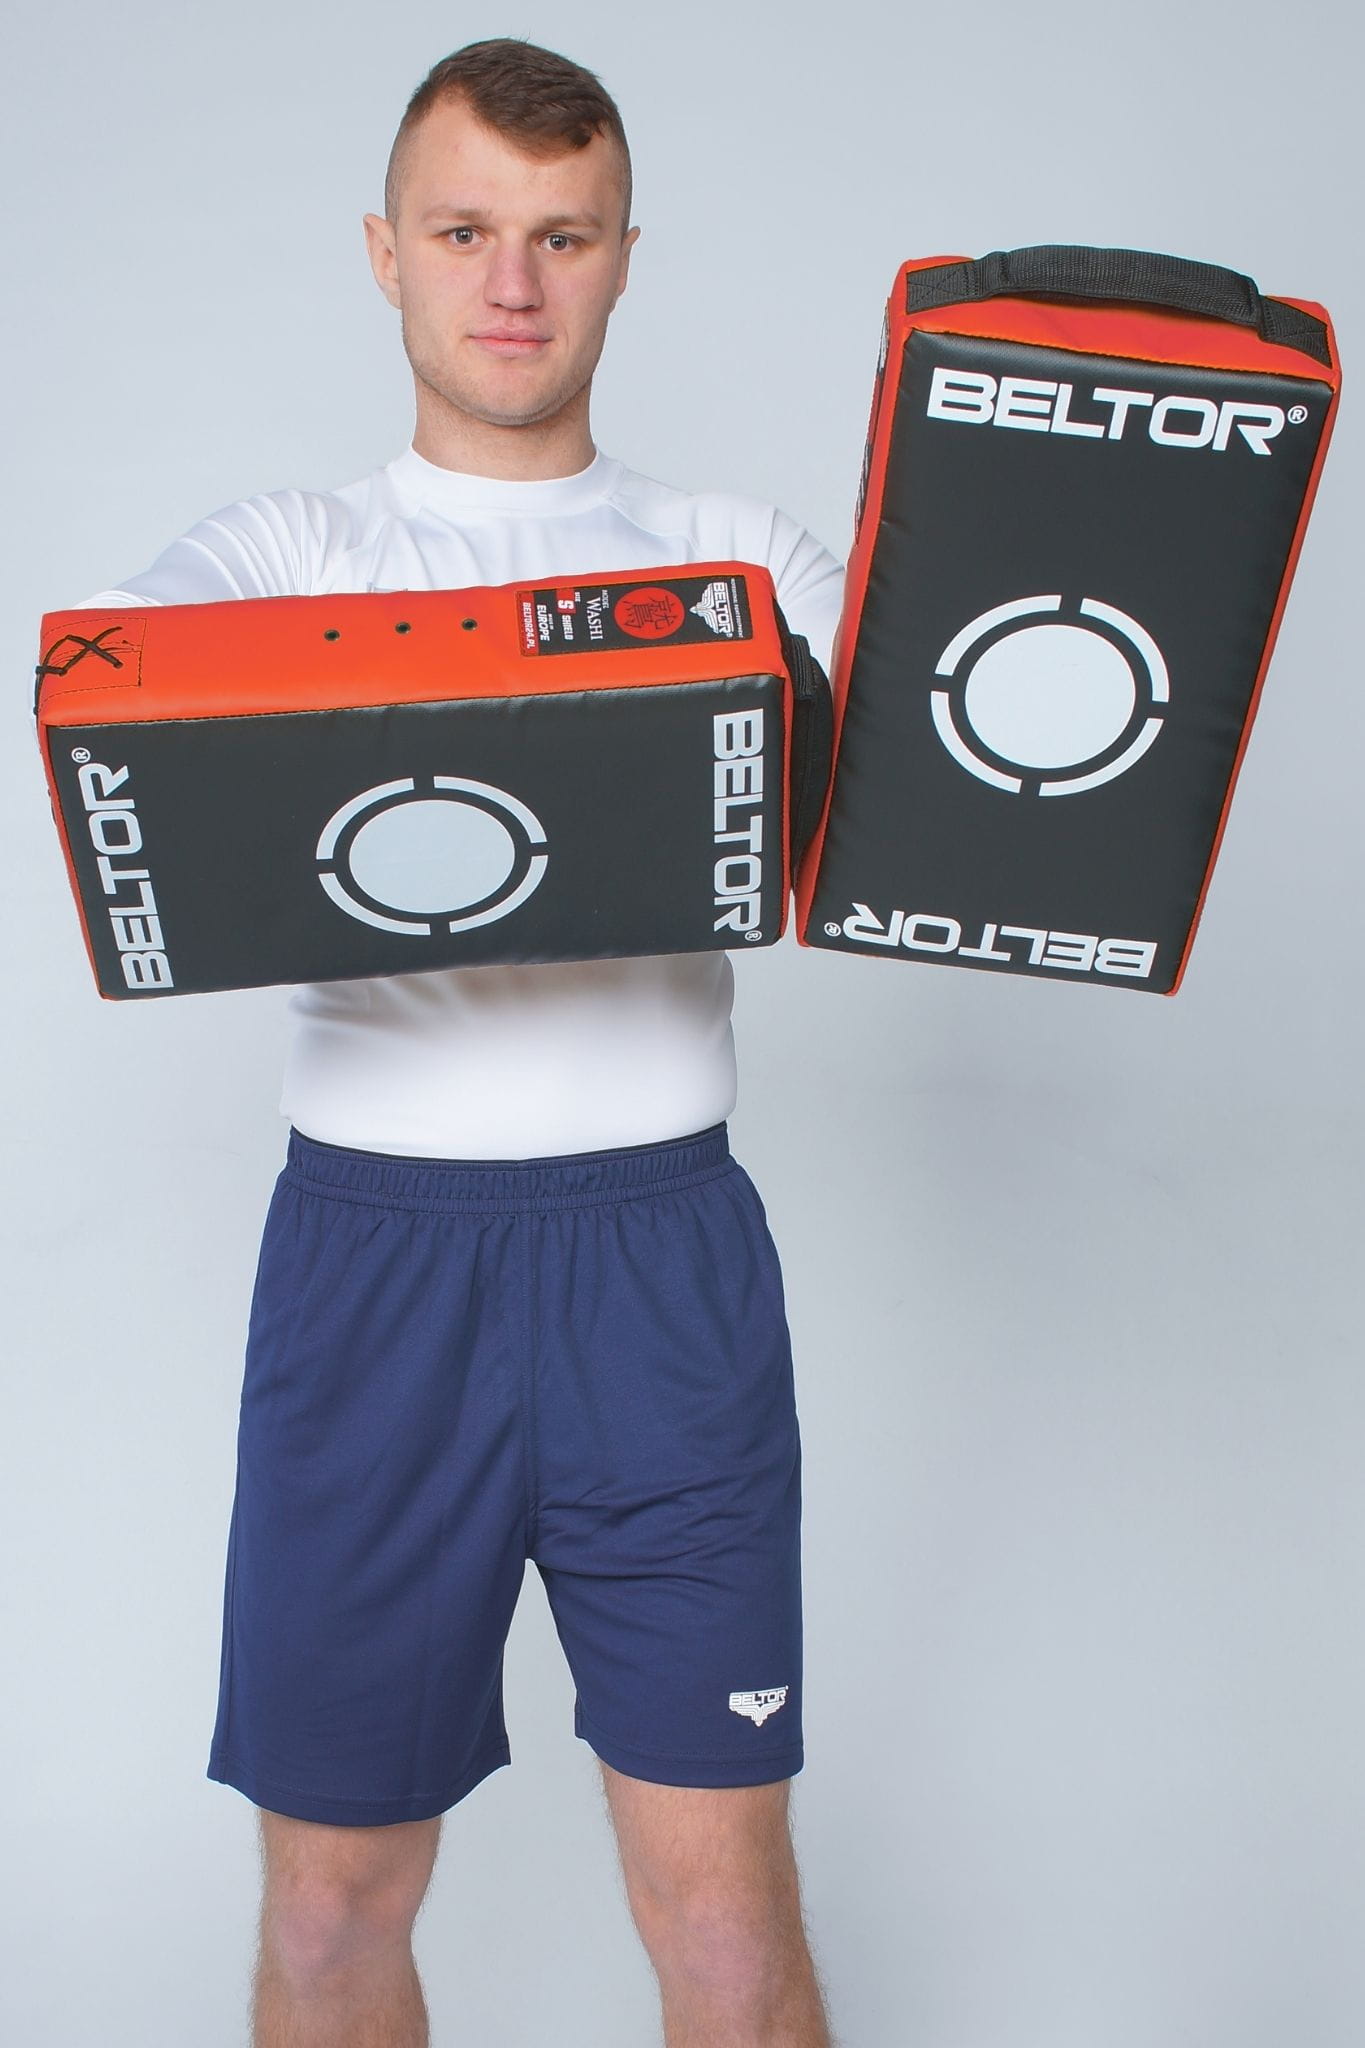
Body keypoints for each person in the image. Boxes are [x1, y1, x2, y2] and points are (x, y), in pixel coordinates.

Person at [72, 36, 844, 2048]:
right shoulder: (282, 554)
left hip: (657, 1274)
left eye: (562, 236)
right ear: (384, 252)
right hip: (375, 1268)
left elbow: (913, 800)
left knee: (723, 1921)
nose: (512, 281)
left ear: (622, 257)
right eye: (464, 231)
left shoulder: (735, 559)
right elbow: (103, 687)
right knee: (333, 1909)